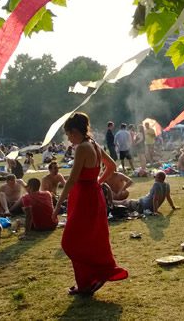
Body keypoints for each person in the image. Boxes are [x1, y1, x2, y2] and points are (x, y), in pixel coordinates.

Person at [53, 112, 128, 296]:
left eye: (69, 134)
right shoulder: (94, 144)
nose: (69, 138)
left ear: (76, 131)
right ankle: (86, 283)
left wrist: (57, 206)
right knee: (91, 238)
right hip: (92, 194)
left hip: (84, 196)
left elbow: (71, 180)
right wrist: (99, 182)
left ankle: (94, 276)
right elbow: (112, 166)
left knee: (71, 241)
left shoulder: (82, 148)